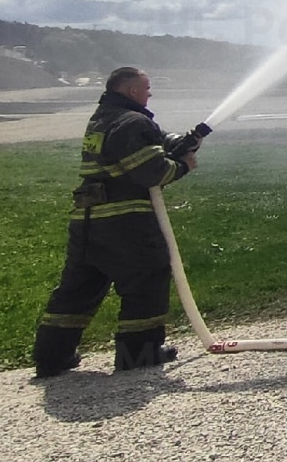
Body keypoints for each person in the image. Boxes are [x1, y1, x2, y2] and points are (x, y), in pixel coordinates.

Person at [32, 67, 200, 377]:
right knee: (146, 279)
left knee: (79, 288)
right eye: (146, 87)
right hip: (124, 222)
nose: (150, 93)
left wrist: (172, 142)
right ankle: (138, 354)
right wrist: (183, 165)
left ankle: (51, 356)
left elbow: (136, 148)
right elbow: (151, 172)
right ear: (131, 91)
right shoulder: (133, 122)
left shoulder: (103, 119)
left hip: (87, 220)